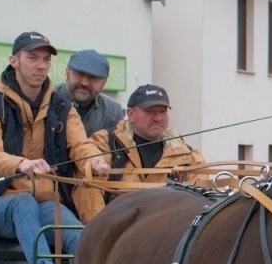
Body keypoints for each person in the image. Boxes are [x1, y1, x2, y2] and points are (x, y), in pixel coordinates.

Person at [0, 31, 109, 264]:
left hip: (46, 201)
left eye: (45, 59)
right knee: (23, 203)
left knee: (78, 233)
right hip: (0, 201)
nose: (41, 65)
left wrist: (94, 161)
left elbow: (81, 146)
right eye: (32, 58)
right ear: (14, 61)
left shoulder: (62, 106)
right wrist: (20, 164)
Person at [76, 84, 208, 221]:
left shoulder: (188, 156)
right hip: (117, 235)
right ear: (130, 114)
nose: (158, 118)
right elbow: (88, 192)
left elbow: (201, 202)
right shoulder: (104, 144)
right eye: (150, 111)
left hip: (172, 235)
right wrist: (103, 233)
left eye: (163, 111)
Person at [58, 48, 124, 138]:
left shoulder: (113, 112)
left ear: (104, 82)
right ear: (67, 73)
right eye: (79, 74)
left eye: (93, 77)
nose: (84, 83)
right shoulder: (47, 99)